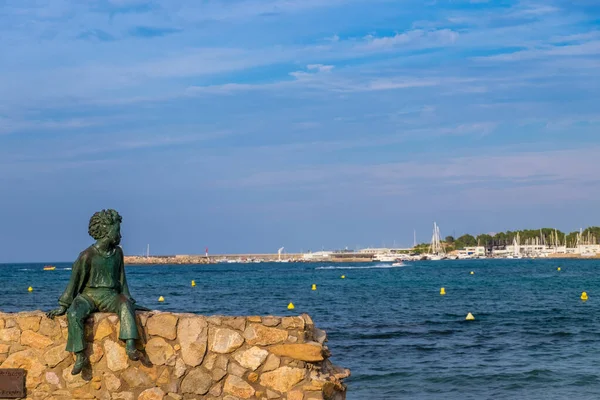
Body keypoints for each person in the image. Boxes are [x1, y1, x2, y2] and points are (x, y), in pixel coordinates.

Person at [47, 209, 142, 375]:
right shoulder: (87, 256)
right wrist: (64, 305)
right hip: (88, 296)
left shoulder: (117, 253)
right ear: (106, 230)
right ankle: (79, 355)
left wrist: (127, 298)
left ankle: (130, 345)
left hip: (110, 296)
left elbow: (122, 278)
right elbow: (74, 283)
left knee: (125, 305)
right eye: (117, 230)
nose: (120, 234)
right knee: (74, 313)